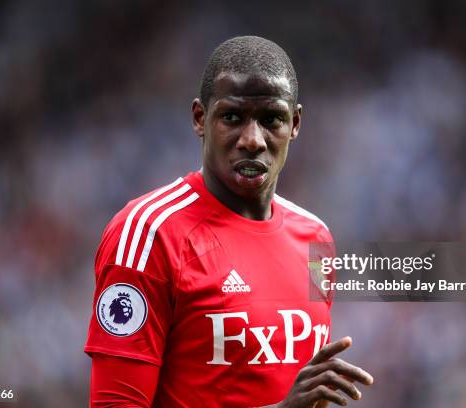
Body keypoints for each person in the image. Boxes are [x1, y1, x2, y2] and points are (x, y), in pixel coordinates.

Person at [85, 35, 373, 407]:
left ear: (295, 123)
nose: (252, 140)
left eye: (272, 119)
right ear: (200, 118)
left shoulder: (316, 239)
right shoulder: (148, 235)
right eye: (232, 117)